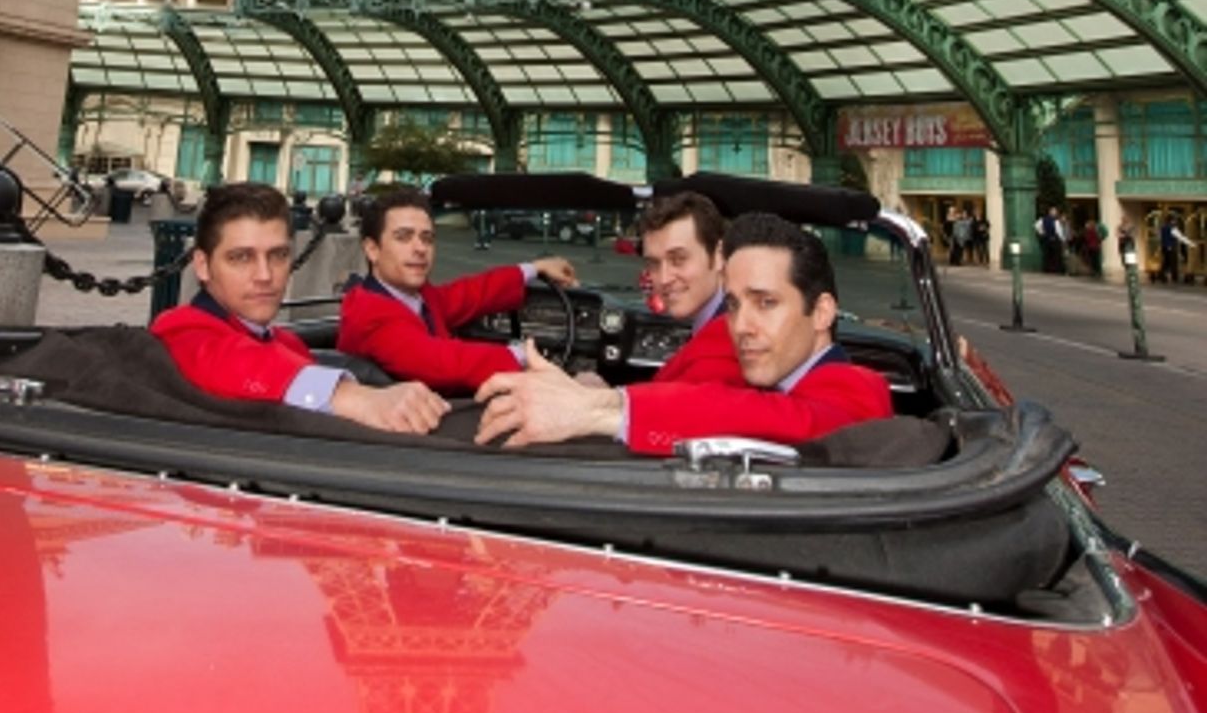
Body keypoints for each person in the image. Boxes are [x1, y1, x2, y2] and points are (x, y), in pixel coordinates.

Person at [475, 211, 893, 456]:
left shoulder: (860, 389)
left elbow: (779, 422)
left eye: (766, 302)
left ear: (821, 313)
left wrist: (598, 407)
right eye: (732, 304)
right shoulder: (782, 376)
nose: (741, 326)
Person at [151, 182, 447, 434]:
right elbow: (232, 361)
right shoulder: (181, 328)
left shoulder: (286, 342)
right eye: (241, 258)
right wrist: (357, 399)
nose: (265, 275)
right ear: (202, 265)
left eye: (278, 255)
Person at [336, 185, 579, 394]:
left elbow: (468, 294)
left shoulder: (415, 296)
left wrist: (533, 268)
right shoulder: (369, 313)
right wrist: (526, 355)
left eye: (427, 238)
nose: (420, 248)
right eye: (403, 237)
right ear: (372, 250)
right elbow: (442, 363)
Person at [635, 191, 742, 385]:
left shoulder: (730, 344)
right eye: (654, 264)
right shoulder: (721, 321)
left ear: (719, 255)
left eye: (678, 260)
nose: (664, 279)